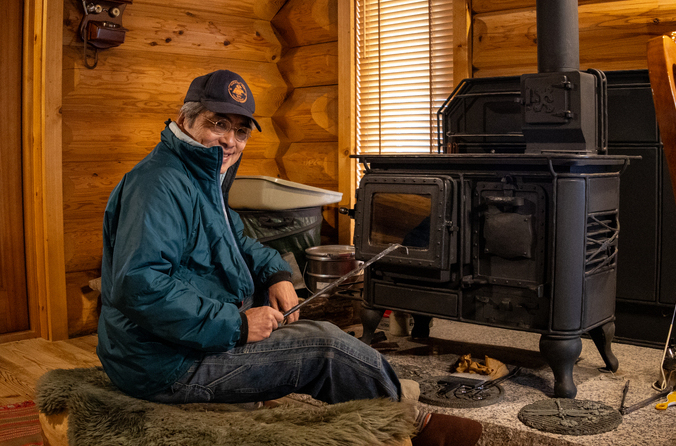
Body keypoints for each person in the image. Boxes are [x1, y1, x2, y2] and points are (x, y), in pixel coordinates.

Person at [97, 69, 482, 446]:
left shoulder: (198, 177)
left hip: (181, 345)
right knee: (326, 348)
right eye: (219, 124)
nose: (230, 140)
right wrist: (235, 324)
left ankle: (382, 401)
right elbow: (140, 284)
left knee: (302, 325)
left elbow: (237, 243)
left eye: (241, 130)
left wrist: (277, 273)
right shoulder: (157, 185)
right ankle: (416, 425)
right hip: (163, 366)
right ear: (186, 120)